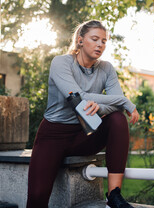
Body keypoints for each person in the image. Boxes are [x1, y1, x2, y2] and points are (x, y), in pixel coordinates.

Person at [26, 20, 139, 208]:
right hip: (53, 135)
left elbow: (111, 104)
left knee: (118, 119)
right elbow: (79, 98)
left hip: (84, 134)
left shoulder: (107, 68)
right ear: (80, 41)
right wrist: (125, 101)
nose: (100, 45)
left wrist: (99, 107)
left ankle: (114, 195)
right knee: (37, 197)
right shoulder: (60, 63)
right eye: (94, 39)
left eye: (104, 41)